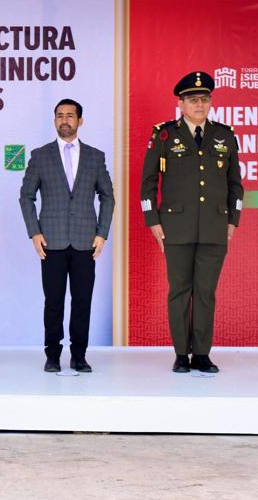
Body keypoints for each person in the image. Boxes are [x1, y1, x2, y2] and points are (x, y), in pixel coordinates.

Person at [140, 71, 243, 374]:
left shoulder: (225, 135)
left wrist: (233, 220)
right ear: (181, 104)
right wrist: (153, 221)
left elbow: (235, 184)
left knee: (206, 292)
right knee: (179, 291)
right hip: (176, 227)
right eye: (193, 99)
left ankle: (202, 354)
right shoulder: (164, 135)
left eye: (204, 99)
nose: (199, 104)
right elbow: (147, 183)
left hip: (214, 226)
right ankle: (181, 354)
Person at [18, 98, 115, 373]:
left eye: (70, 116)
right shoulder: (40, 155)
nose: (65, 120)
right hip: (51, 240)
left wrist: (102, 233)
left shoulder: (95, 156)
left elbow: (107, 196)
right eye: (60, 115)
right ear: (54, 120)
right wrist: (34, 232)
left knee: (82, 300)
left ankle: (79, 355)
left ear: (80, 121)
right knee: (54, 301)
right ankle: (52, 354)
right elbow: (26, 196)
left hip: (86, 240)